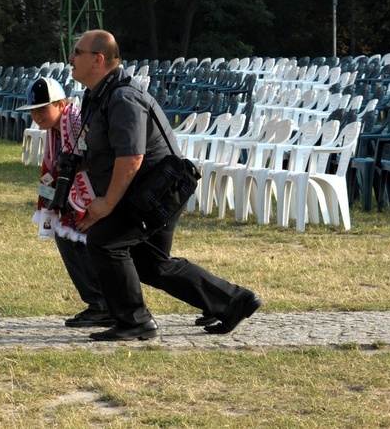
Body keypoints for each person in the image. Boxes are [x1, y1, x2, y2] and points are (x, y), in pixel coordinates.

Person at [70, 29, 262, 341]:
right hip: (147, 190)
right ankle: (232, 301)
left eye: (77, 52)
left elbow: (131, 157)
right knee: (150, 263)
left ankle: (135, 322)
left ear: (98, 59)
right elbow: (107, 148)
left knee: (105, 241)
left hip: (157, 192)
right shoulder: (99, 94)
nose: (71, 58)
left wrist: (106, 204)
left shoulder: (123, 97)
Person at [17, 77, 113, 328]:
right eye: (32, 111)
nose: (36, 116)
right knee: (68, 238)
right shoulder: (56, 131)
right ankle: (100, 303)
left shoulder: (78, 123)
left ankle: (103, 304)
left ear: (61, 104)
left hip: (99, 196)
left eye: (42, 109)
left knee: (153, 265)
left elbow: (99, 158)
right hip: (80, 197)